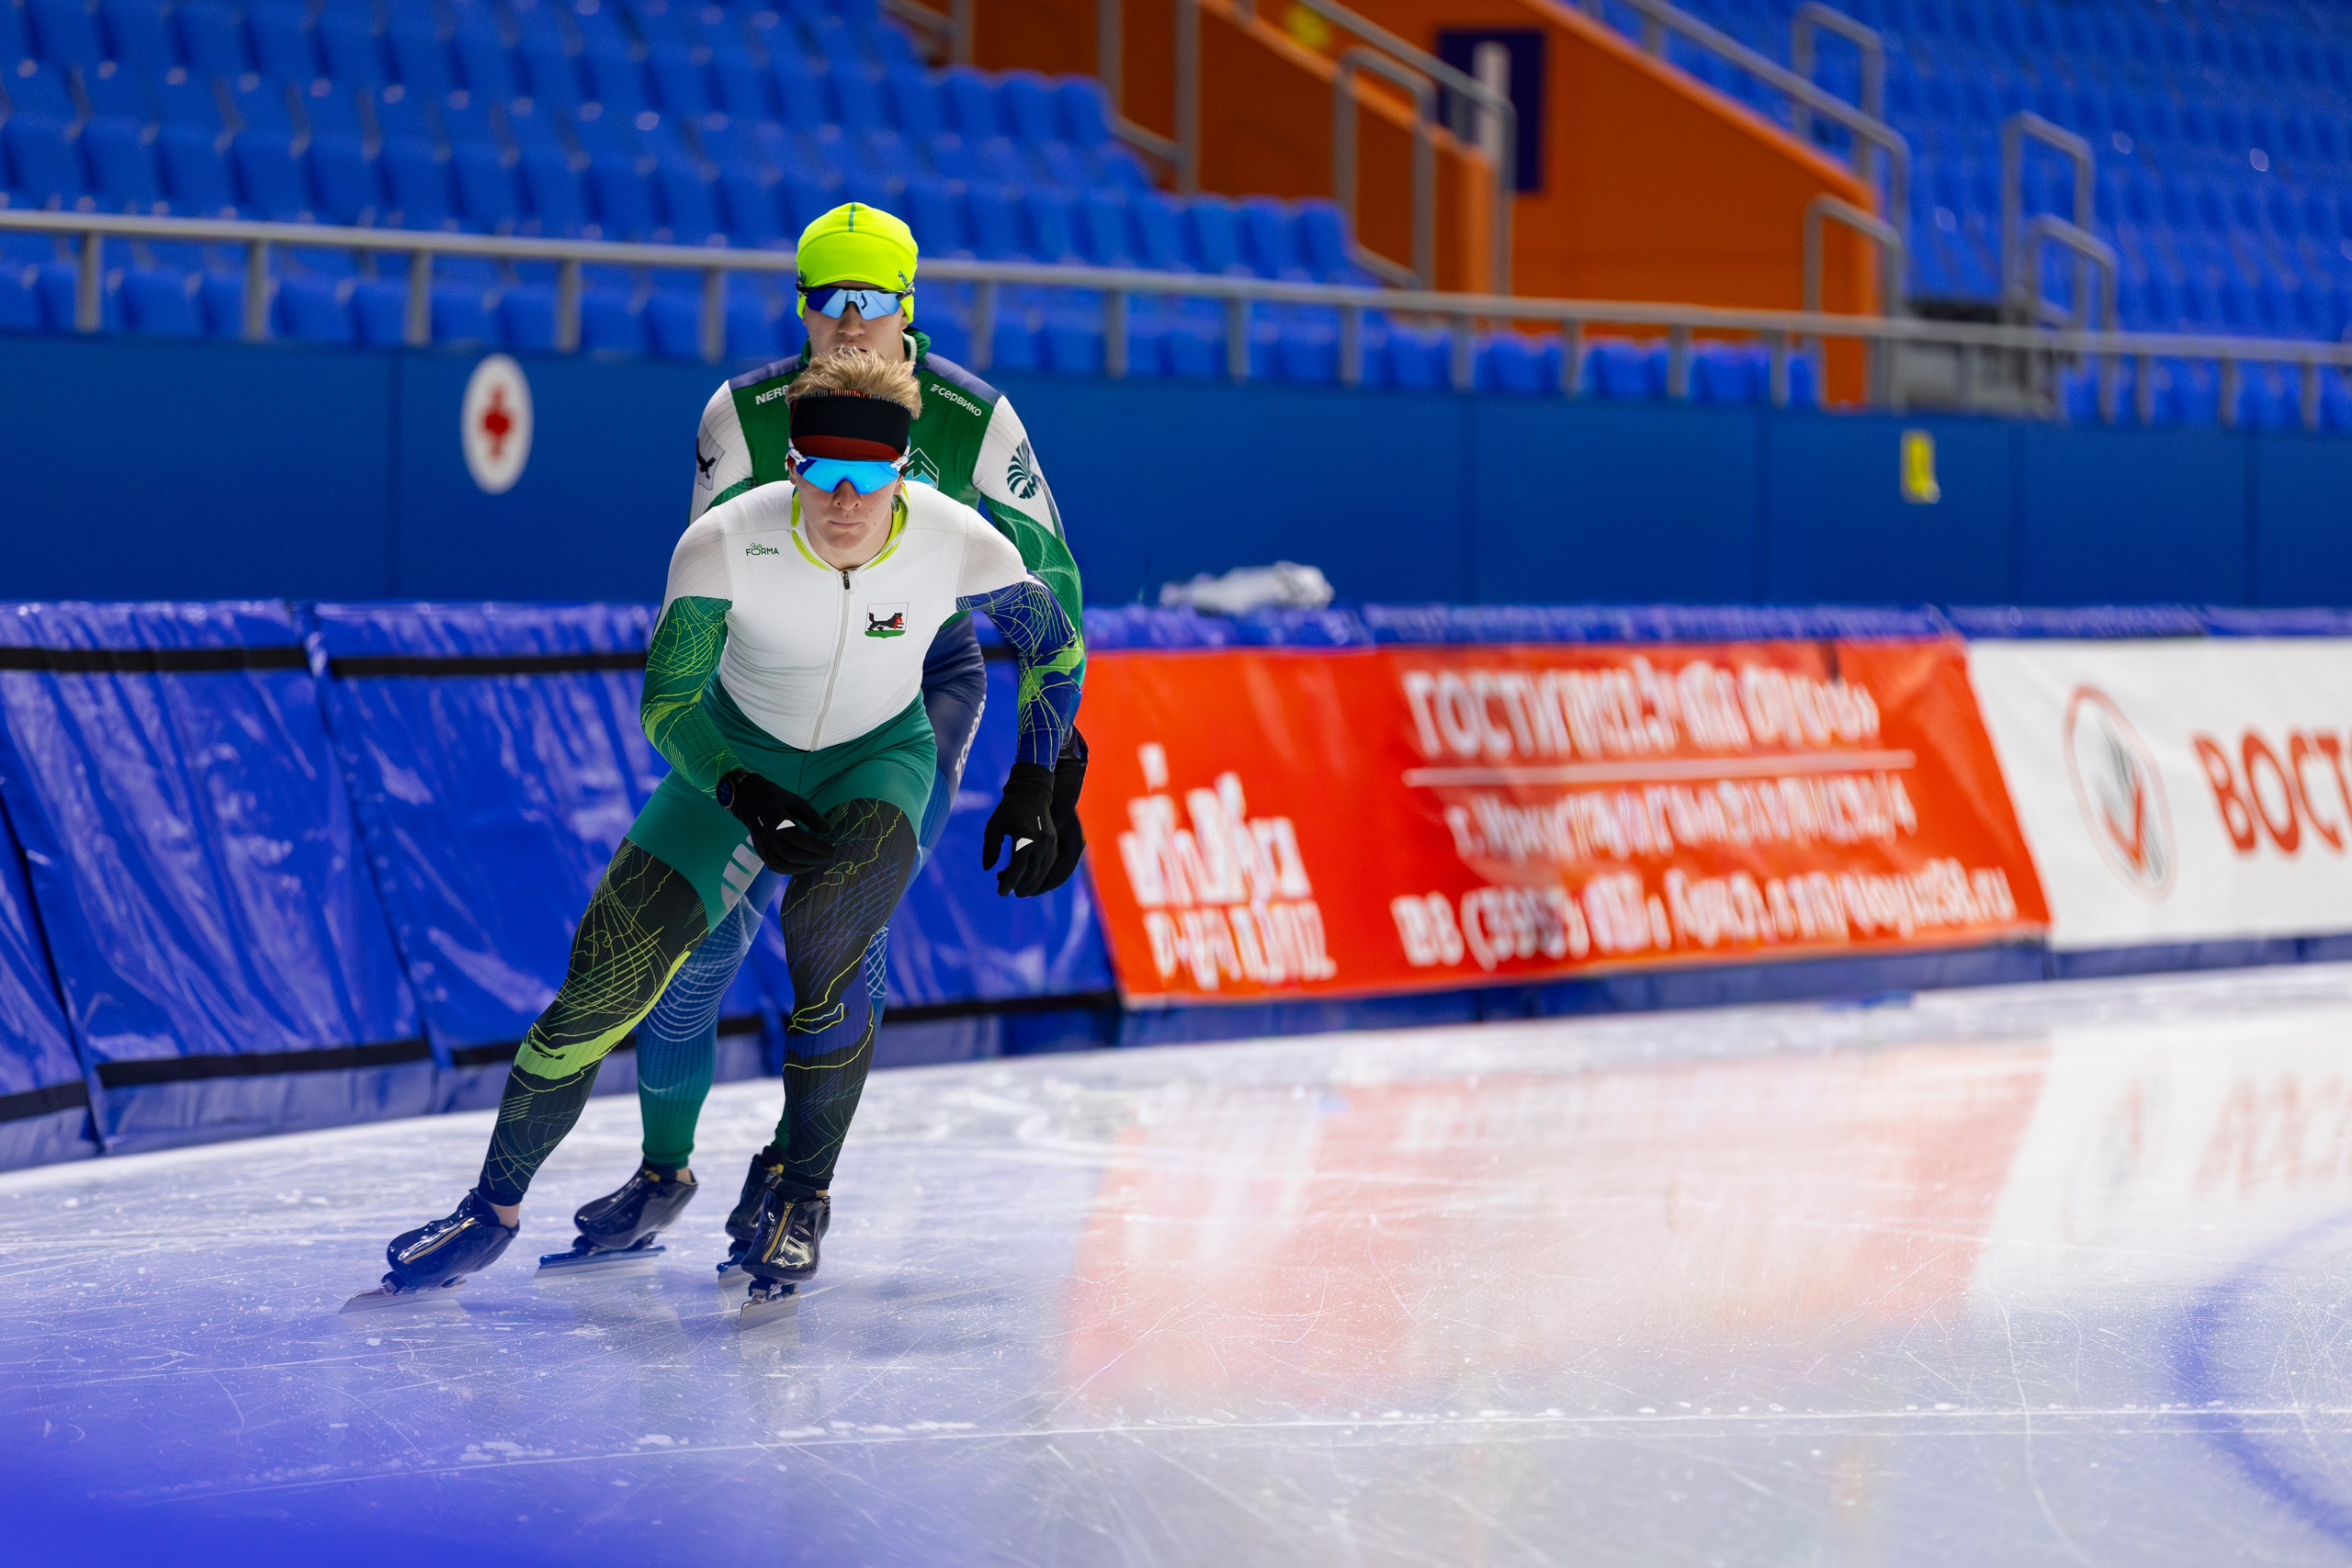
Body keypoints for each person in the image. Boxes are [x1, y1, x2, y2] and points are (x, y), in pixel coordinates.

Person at [357, 350, 1083, 1310]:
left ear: (905, 474)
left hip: (879, 756)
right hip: (733, 760)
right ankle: (490, 1206)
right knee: (600, 987)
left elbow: (1055, 642)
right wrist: (742, 790)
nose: (844, 504)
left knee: (827, 942)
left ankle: (802, 1195)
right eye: (823, 475)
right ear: (790, 469)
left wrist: (1041, 778)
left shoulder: (958, 539)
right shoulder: (725, 540)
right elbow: (668, 705)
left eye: (869, 480)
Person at [546, 202, 1092, 1275]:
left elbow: (1053, 592)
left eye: (871, 301)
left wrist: (1052, 765)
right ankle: (667, 1170)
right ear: (798, 308)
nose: (849, 322)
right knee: (701, 953)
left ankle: (802, 1182)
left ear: (908, 308)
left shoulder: (975, 419)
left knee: (844, 926)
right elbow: (709, 575)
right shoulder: (742, 413)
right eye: (826, 300)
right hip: (770, 688)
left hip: (915, 684)